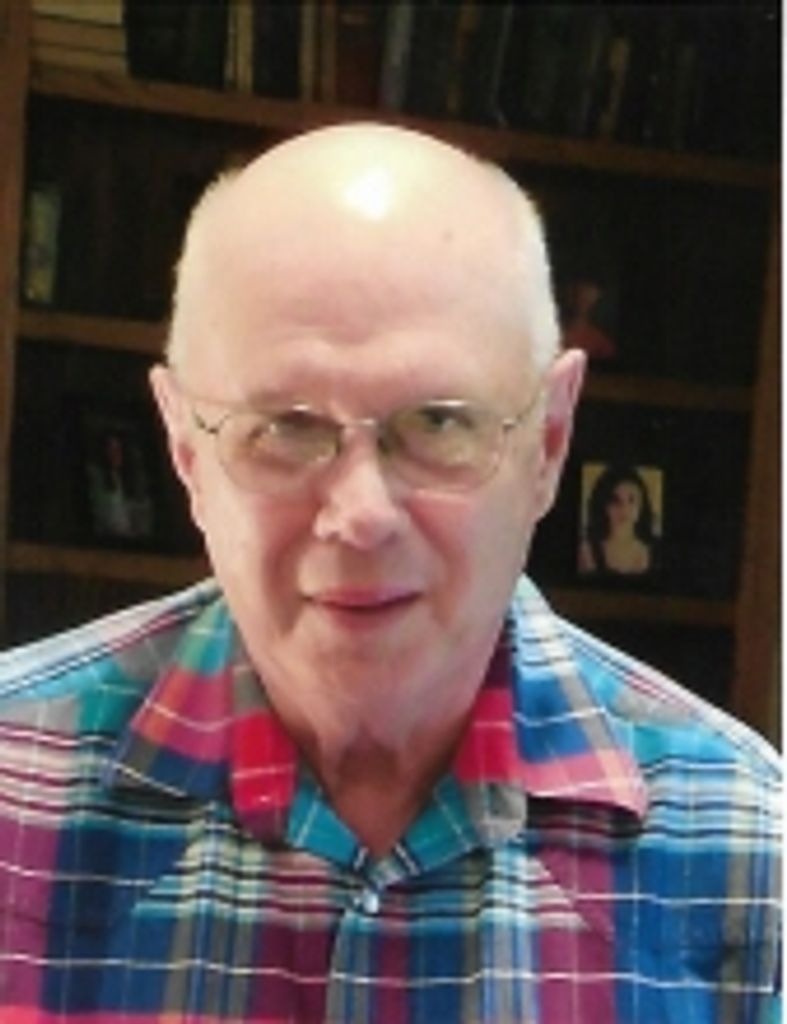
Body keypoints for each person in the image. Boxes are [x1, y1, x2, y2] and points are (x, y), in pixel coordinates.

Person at [0, 123, 780, 1023]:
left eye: (439, 423)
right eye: (284, 427)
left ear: (549, 440)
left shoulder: (749, 853)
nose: (360, 513)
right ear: (184, 449)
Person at [579, 463, 659, 576]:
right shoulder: (587, 550)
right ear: (603, 505)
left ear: (642, 505)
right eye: (615, 500)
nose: (624, 509)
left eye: (631, 500)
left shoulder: (655, 551)